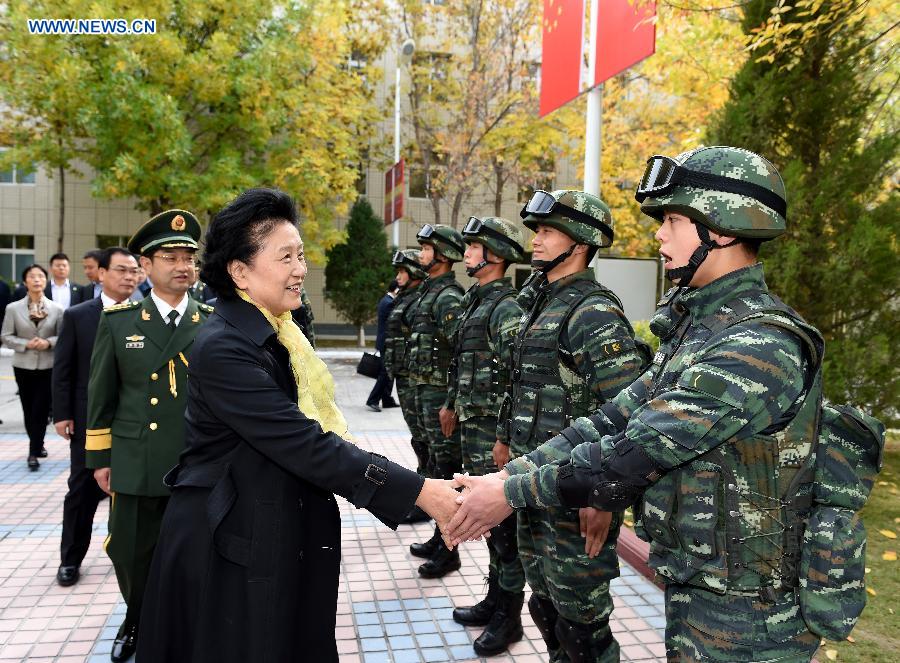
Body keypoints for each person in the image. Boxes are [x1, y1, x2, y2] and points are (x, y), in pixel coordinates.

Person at [449, 147, 824, 662]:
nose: (659, 234)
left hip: (751, 612)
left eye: (673, 219)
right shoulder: (700, 330)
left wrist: (509, 492)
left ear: (725, 227)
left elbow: (630, 455)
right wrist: (507, 474)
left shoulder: (756, 344)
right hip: (705, 584)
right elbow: (610, 418)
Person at [136, 188, 459, 663]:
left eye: (301, 255)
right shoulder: (224, 346)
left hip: (271, 529)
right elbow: (305, 444)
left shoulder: (281, 332)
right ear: (239, 271)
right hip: (230, 547)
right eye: (285, 257)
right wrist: (420, 491)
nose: (300, 269)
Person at [464, 190, 647, 662]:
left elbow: (626, 414)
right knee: (546, 608)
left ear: (581, 243)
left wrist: (603, 496)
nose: (536, 241)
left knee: (583, 628)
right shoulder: (540, 305)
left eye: (547, 231)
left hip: (575, 495)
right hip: (534, 486)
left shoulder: (594, 313)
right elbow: (518, 383)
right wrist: (506, 438)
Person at [85, 210, 213, 663]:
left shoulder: (212, 321)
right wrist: (100, 459)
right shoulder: (119, 321)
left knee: (196, 552)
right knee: (131, 550)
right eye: (170, 257)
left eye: (189, 258)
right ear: (147, 266)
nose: (182, 265)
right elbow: (101, 395)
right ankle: (136, 617)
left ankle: (187, 622)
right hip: (137, 459)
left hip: (196, 461)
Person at [444, 216, 528, 656]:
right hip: (474, 427)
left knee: (504, 524)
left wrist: (505, 437)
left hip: (493, 434)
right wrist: (452, 405)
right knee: (490, 525)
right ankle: (495, 598)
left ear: (495, 254)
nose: (467, 252)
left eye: (474, 246)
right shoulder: (479, 301)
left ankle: (509, 617)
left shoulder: (506, 308)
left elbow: (517, 379)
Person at [52, 248, 139, 588]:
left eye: (134, 271)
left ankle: (128, 554)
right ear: (101, 274)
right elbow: (63, 369)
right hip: (90, 421)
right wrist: (61, 415)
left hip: (134, 422)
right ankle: (70, 559)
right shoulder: (78, 316)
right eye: (121, 270)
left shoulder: (145, 316)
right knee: (82, 491)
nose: (129, 277)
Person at [406, 223, 466, 578]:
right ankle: (438, 536)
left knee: (446, 474)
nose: (421, 255)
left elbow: (460, 352)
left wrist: (452, 402)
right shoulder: (431, 292)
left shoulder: (448, 297)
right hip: (426, 393)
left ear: (443, 255)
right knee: (432, 466)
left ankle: (449, 550)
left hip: (439, 396)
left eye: (427, 249)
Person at [383, 249, 431, 524]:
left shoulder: (418, 301)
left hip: (415, 379)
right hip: (405, 376)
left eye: (403, 271)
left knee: (424, 439)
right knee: (418, 437)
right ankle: (422, 491)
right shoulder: (407, 298)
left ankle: (426, 496)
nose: (398, 276)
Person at [1, 264, 63, 470]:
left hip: (48, 364)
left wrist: (49, 343)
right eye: (32, 276)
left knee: (42, 408)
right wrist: (25, 344)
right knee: (29, 409)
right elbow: (6, 336)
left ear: (45, 281)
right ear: (25, 281)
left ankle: (33, 449)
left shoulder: (57, 309)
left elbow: (63, 336)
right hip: (23, 365)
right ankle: (37, 445)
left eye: (40, 277)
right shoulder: (13, 308)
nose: (37, 280)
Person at [366, 280, 400, 412]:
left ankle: (387, 399)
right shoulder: (389, 303)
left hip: (386, 342)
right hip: (387, 343)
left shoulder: (386, 300)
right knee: (385, 372)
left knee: (389, 372)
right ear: (396, 290)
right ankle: (372, 400)